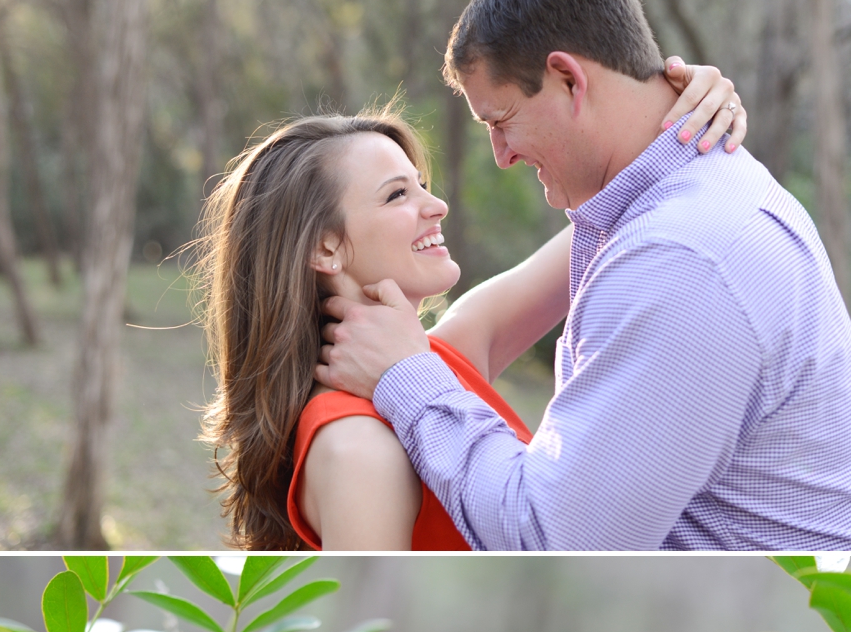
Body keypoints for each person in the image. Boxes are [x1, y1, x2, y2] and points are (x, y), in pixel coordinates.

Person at [317, 0, 851, 552]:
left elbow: (554, 543)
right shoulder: (682, 201)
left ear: (569, 79)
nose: (502, 155)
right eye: (395, 194)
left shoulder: (680, 256)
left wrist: (407, 378)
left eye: (502, 120)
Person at [196, 57, 745, 549]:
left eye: (421, 184)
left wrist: (691, 104)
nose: (435, 205)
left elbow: (619, 206)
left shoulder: (446, 355)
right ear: (325, 247)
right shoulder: (355, 445)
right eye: (397, 194)